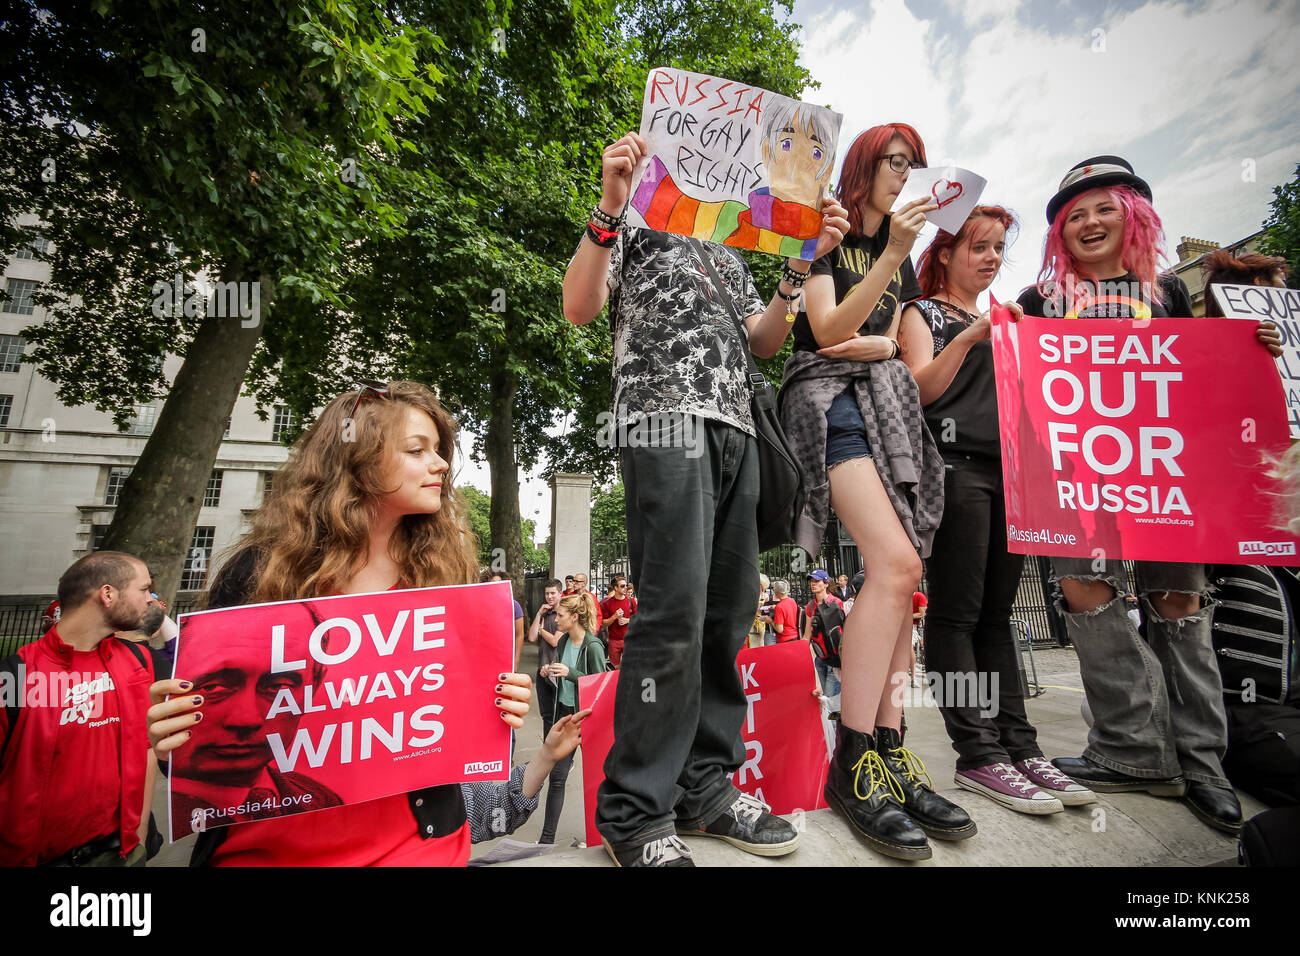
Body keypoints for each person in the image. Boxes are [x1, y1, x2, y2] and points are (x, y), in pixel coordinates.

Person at [562, 130, 848, 866]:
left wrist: (796, 273)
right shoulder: (631, 218)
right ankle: (635, 811)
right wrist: (608, 205)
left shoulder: (726, 242)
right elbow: (579, 306)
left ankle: (705, 789)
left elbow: (763, 340)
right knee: (675, 610)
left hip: (735, 428)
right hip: (661, 417)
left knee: (728, 610)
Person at [145, 381, 534, 865]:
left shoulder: (443, 577)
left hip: (426, 849)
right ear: (358, 460)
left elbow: (449, 718)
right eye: (418, 450)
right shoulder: (258, 573)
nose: (440, 465)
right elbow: (204, 733)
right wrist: (174, 742)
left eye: (439, 451)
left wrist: (499, 705)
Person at [1015, 157, 1278, 834]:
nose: (1090, 222)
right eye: (1074, 215)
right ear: (1059, 233)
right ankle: (1132, 750)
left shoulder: (1167, 291)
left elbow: (1206, 377)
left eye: (1104, 208)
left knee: (1179, 602)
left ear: (1133, 215)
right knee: (1085, 594)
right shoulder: (1041, 302)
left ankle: (1201, 765)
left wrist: (1256, 349)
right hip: (1077, 477)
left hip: (1167, 474)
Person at [778, 123, 974, 860]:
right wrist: (888, 258)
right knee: (894, 566)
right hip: (829, 400)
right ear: (865, 167)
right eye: (897, 162)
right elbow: (826, 328)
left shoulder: (907, 268)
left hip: (886, 404)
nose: (908, 175)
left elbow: (886, 340)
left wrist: (891, 340)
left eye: (916, 165)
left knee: (904, 578)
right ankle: (852, 763)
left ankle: (888, 754)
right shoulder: (832, 230)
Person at [897, 204, 1091, 814]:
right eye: (978, 246)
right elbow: (919, 387)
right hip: (954, 472)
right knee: (956, 614)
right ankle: (978, 754)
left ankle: (1021, 746)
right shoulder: (919, 311)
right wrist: (970, 338)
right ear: (947, 253)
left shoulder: (1012, 319)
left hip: (1014, 475)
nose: (991, 257)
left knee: (998, 615)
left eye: (1000, 248)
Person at [1, 552, 163, 866]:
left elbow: (145, 751)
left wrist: (138, 842)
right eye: (144, 590)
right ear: (107, 594)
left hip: (119, 854)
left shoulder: (137, 663)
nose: (151, 600)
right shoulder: (17, 675)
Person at [536, 594, 608, 844]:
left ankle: (600, 837)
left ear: (574, 617)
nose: (556, 620)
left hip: (588, 721)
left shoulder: (593, 646)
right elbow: (562, 672)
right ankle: (546, 841)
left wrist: (571, 673)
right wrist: (549, 672)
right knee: (557, 778)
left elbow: (601, 686)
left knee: (597, 780)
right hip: (566, 716)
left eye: (561, 616)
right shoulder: (565, 641)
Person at [802, 570, 843, 698]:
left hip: (835, 662)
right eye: (812, 581)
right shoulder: (810, 606)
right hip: (820, 660)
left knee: (831, 700)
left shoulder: (837, 603)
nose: (813, 584)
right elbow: (806, 636)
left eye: (817, 581)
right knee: (825, 699)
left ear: (826, 583)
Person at [485, 570, 526, 672]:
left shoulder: (514, 605)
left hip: (506, 656)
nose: (496, 586)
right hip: (486, 657)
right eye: (492, 584)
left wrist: (515, 662)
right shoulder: (483, 605)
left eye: (499, 583)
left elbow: (519, 634)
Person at [599, 574, 636, 668]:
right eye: (622, 586)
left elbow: (639, 618)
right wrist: (614, 617)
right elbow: (603, 622)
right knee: (616, 668)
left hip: (629, 640)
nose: (625, 588)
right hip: (613, 641)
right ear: (615, 588)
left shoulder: (631, 601)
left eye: (626, 585)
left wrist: (628, 620)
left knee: (631, 666)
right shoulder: (607, 603)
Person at [760, 579, 800, 645]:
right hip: (794, 636)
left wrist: (770, 621)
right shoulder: (792, 601)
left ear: (777, 591)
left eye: (774, 589)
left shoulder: (780, 607)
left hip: (785, 639)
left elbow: (779, 629)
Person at [748, 573, 771, 649]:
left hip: (761, 622)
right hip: (751, 621)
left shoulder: (766, 596)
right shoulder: (751, 595)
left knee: (761, 642)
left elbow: (767, 611)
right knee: (750, 642)